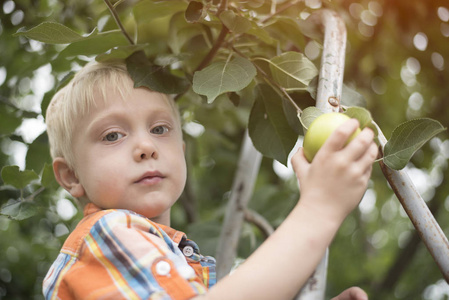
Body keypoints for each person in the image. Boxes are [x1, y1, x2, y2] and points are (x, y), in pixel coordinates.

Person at [43, 61, 378, 300]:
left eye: (160, 129)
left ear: (181, 150)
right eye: (113, 135)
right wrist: (319, 209)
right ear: (71, 176)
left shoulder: (173, 258)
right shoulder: (106, 234)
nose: (146, 147)